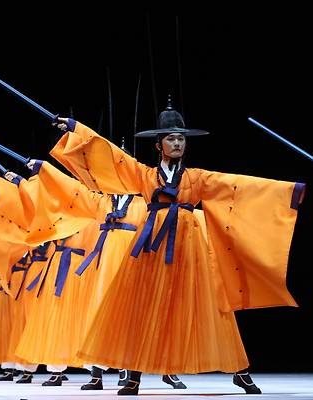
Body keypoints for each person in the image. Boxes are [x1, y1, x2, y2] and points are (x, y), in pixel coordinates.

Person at [48, 98, 304, 395]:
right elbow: (112, 157)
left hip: (189, 244)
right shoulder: (144, 175)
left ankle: (240, 371)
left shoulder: (196, 177)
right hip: (152, 245)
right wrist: (76, 129)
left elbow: (237, 186)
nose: (178, 143)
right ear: (159, 145)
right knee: (140, 305)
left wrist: (289, 191)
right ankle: (133, 375)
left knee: (211, 304)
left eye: (181, 138)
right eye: (171, 138)